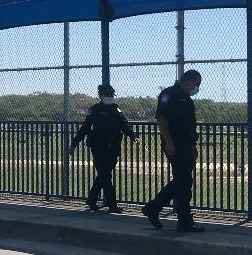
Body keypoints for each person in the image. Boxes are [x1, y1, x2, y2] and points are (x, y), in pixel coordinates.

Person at [141, 69, 204, 233]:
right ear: (188, 80)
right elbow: (161, 118)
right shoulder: (169, 94)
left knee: (183, 181)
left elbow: (190, 125)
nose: (196, 88)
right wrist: (168, 141)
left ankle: (154, 208)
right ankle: (183, 220)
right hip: (175, 144)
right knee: (184, 182)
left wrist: (193, 145)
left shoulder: (186, 98)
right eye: (196, 84)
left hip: (186, 144)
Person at [69, 84, 139, 213]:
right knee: (105, 175)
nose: (110, 97)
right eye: (107, 95)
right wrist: (74, 144)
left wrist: (133, 136)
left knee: (104, 175)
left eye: (111, 95)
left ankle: (92, 199)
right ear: (101, 95)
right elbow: (85, 128)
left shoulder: (116, 109)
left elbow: (124, 125)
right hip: (98, 146)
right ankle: (112, 205)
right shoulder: (95, 110)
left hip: (113, 147)